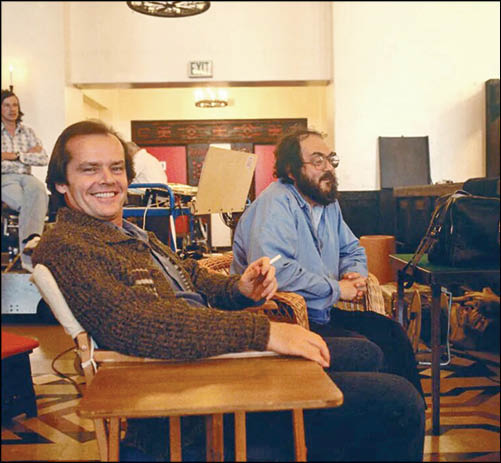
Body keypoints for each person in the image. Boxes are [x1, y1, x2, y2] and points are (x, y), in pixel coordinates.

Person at [33, 120, 424, 461]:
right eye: (89, 169)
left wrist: (240, 288)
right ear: (60, 182)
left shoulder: (130, 233)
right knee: (396, 400)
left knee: (370, 352)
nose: (107, 179)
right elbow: (138, 324)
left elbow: (191, 275)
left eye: (116, 167)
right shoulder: (69, 245)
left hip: (209, 359)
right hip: (187, 396)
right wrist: (265, 333)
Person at [232, 127, 425, 401]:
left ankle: (410, 413)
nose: (328, 168)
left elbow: (352, 249)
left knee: (392, 334)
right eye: (317, 161)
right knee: (368, 351)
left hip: (321, 312)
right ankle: (384, 408)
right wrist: (337, 289)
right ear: (291, 170)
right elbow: (277, 272)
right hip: (283, 320)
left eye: (330, 159)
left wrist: (353, 273)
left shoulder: (327, 204)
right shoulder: (275, 204)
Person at [1, 89, 49, 271]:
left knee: (39, 191)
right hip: (5, 178)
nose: (12, 109)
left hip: (27, 177)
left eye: (15, 105)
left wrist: (15, 155)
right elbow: (34, 156)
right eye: (7, 105)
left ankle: (30, 252)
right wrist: (28, 154)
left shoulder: (28, 132)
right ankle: (29, 257)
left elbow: (43, 158)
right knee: (28, 204)